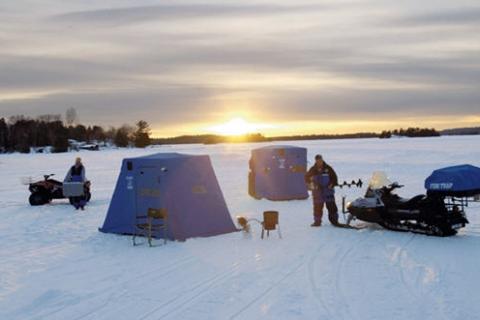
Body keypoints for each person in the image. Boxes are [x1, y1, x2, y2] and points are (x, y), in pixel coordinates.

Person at [305, 154, 339, 227]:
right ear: (316, 161)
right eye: (318, 160)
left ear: (322, 160)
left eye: (320, 160)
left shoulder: (328, 168)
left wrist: (332, 184)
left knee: (332, 207)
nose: (319, 161)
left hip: (328, 192)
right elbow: (306, 178)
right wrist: (311, 184)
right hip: (317, 193)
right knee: (317, 209)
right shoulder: (312, 169)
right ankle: (317, 222)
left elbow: (334, 178)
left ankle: (334, 221)